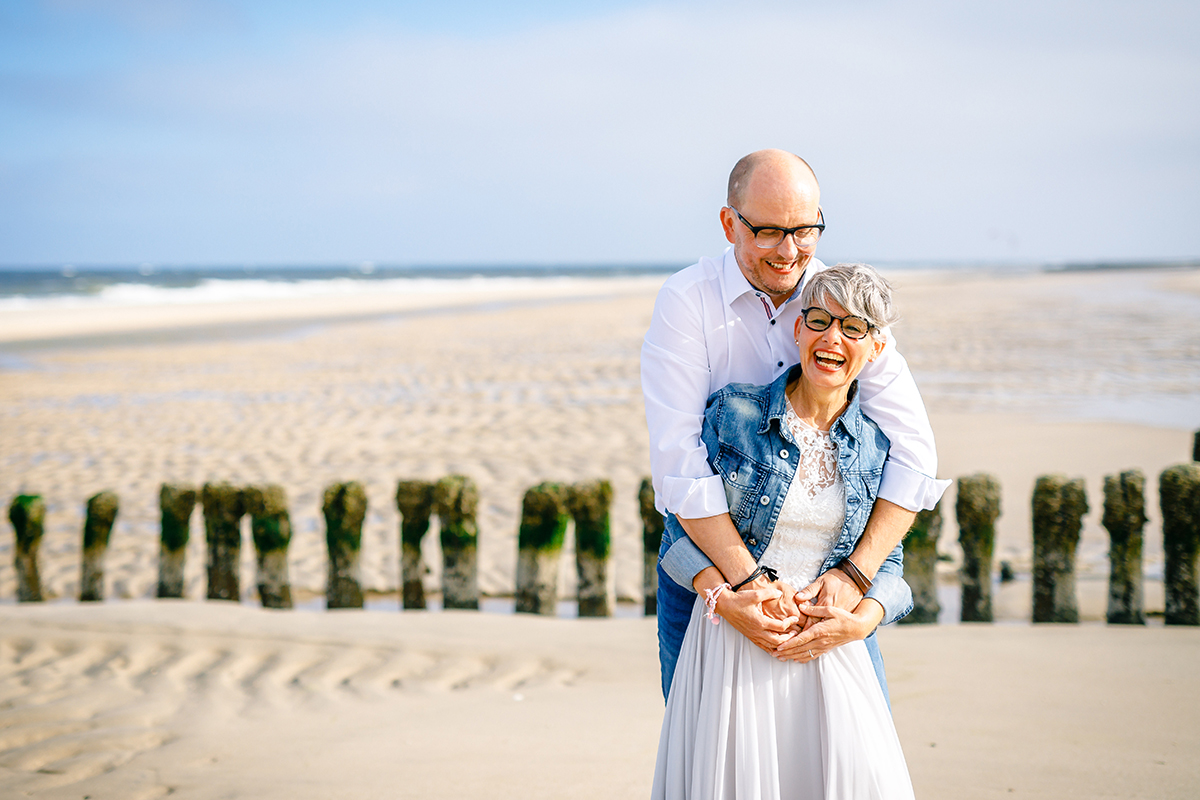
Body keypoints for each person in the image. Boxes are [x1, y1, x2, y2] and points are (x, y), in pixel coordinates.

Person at [641, 149, 949, 700]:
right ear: (729, 223)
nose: (791, 252)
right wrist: (742, 585)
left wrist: (855, 581)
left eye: (805, 230)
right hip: (710, 569)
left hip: (829, 575)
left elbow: (914, 453)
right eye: (768, 232)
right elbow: (677, 463)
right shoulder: (687, 300)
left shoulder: (840, 303)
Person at [650, 262, 917, 799]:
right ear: (798, 329)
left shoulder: (877, 445)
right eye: (819, 320)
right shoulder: (732, 413)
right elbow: (677, 533)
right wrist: (725, 599)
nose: (832, 338)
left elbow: (887, 561)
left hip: (830, 652)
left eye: (854, 328)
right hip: (731, 645)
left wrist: (860, 622)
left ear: (877, 348)